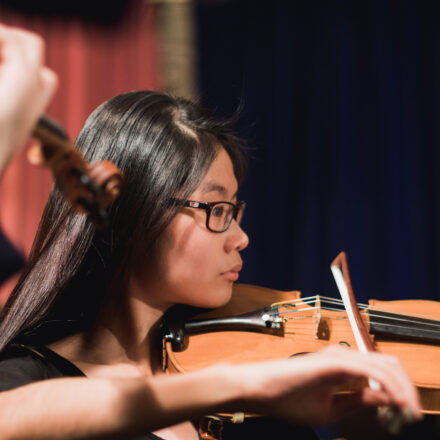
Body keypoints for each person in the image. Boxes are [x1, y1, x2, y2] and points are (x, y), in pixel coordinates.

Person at [0, 24, 421, 440]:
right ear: (138, 211)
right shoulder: (29, 382)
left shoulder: (251, 380)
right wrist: (247, 383)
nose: (241, 238)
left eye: (236, 211)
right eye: (217, 209)